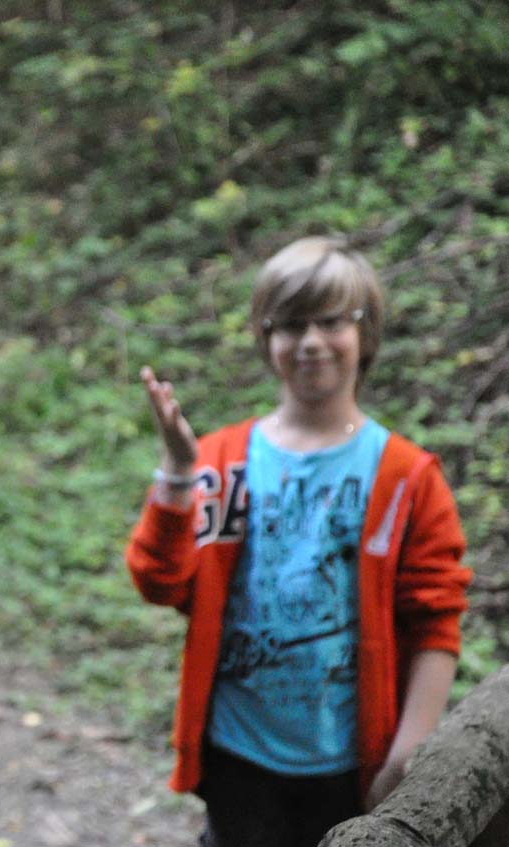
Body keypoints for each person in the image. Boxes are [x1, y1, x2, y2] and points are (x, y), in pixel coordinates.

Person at [126, 236, 471, 847]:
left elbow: (435, 622)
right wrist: (178, 471)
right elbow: (161, 583)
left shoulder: (407, 477)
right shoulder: (222, 460)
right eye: (290, 324)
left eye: (331, 321)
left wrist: (406, 752)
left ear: (365, 332)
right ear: (266, 339)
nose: (311, 341)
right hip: (237, 754)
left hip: (349, 763)